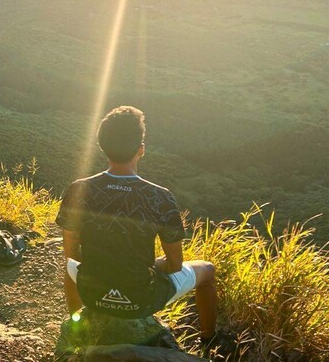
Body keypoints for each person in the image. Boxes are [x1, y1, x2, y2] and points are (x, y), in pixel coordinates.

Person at [56, 106, 219, 345]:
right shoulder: (160, 197)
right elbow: (175, 265)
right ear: (140, 150)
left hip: (92, 294)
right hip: (140, 300)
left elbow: (71, 254)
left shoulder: (77, 189)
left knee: (70, 269)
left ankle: (77, 325)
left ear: (103, 147)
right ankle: (209, 339)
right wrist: (149, 265)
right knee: (208, 270)